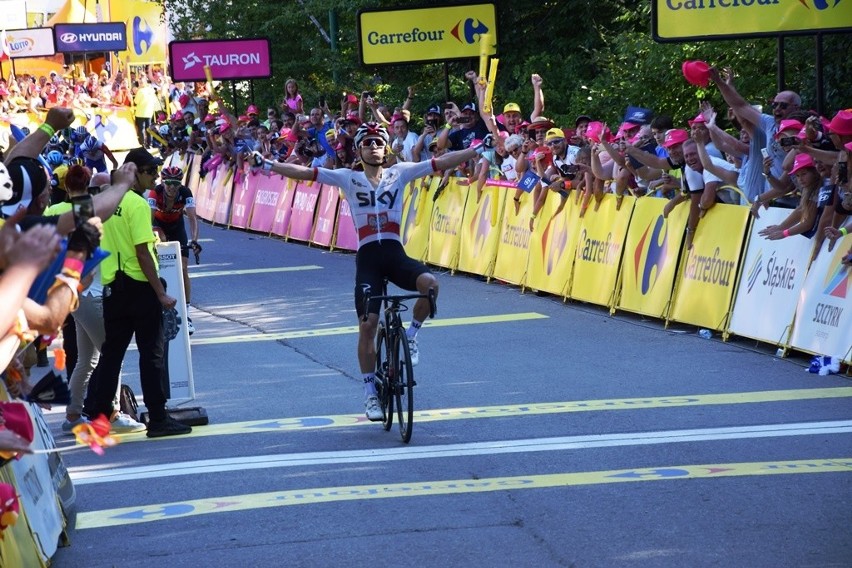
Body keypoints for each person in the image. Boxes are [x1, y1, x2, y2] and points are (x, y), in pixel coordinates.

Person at [251, 122, 495, 420]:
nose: (374, 147)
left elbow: (439, 162)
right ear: (358, 149)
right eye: (368, 143)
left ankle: (413, 335)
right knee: (368, 326)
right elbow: (305, 173)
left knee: (430, 285)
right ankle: (369, 395)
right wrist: (269, 164)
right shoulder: (347, 178)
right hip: (368, 257)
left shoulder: (400, 173)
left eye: (379, 142)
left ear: (386, 148)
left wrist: (475, 149)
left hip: (394, 253)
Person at [84, 148, 192, 438]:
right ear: (137, 172)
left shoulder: (104, 202)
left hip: (112, 287)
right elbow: (142, 253)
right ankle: (158, 418)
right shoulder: (137, 205)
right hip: (140, 287)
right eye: (151, 173)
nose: (154, 178)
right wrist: (160, 292)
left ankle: (98, 415)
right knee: (151, 354)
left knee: (111, 355)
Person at [43, 167, 146, 433]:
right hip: (90, 294)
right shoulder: (91, 217)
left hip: (79, 296)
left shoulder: (69, 214)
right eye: (101, 191)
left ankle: (74, 414)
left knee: (88, 359)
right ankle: (111, 415)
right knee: (112, 355)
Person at [148, 166, 200, 334]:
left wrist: (194, 240)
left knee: (184, 269)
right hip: (159, 225)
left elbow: (192, 218)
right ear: (163, 182)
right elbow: (149, 219)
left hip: (177, 227)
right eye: (168, 183)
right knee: (161, 240)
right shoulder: (155, 193)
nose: (172, 187)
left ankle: (186, 315)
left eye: (175, 184)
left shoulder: (185, 193)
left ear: (180, 184)